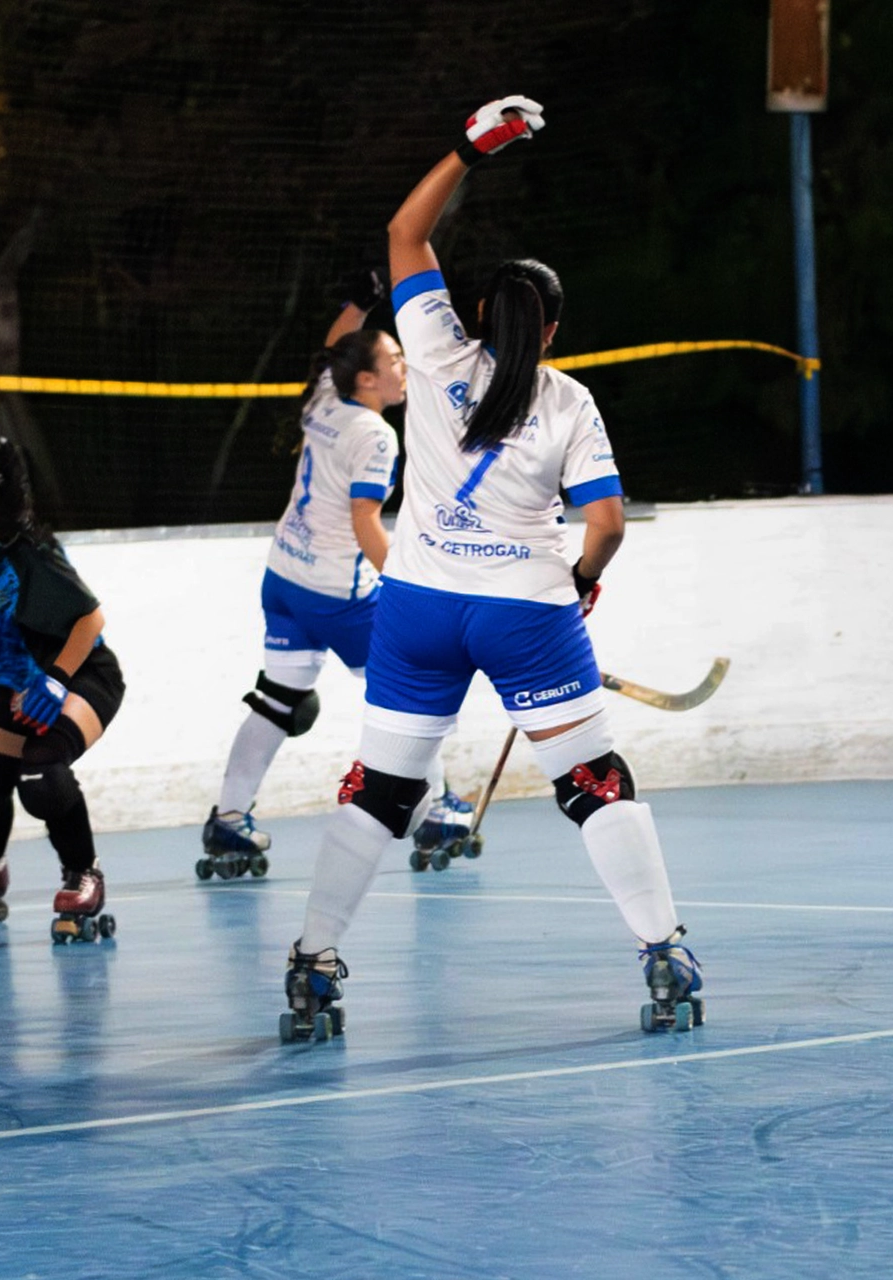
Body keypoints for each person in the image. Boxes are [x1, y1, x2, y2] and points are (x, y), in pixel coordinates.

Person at [281, 97, 703, 1043]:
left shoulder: (430, 351)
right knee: (593, 780)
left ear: (475, 314)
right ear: (551, 330)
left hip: (420, 605)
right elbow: (604, 523)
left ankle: (312, 961)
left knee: (379, 792)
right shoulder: (569, 403)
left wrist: (468, 149)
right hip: (525, 611)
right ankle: (663, 950)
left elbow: (404, 230)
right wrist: (583, 582)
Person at [199, 271, 476, 881]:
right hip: (339, 594)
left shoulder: (325, 395)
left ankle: (228, 817)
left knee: (278, 700)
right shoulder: (375, 435)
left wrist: (360, 301)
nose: (405, 368)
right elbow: (364, 520)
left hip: (284, 577)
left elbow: (333, 346)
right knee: (412, 692)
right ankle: (436, 811)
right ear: (368, 380)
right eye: (395, 360)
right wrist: (407, 587)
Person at [0, 431, 126, 944]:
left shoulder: (29, 552)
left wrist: (54, 682)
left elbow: (90, 619)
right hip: (15, 680)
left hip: (79, 675)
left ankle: (84, 873)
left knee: (40, 776)